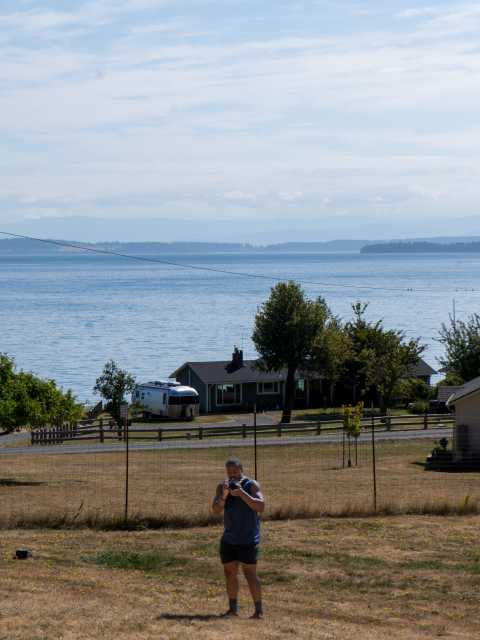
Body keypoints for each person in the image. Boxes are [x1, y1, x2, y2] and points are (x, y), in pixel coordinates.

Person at [212, 457, 265, 619]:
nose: (232, 475)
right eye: (229, 472)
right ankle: (232, 609)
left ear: (241, 469)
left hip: (248, 539)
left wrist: (242, 493)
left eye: (235, 471)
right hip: (229, 539)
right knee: (229, 574)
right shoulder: (222, 486)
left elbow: (260, 506)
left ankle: (258, 611)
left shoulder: (251, 485)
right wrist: (224, 496)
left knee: (250, 575)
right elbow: (215, 510)